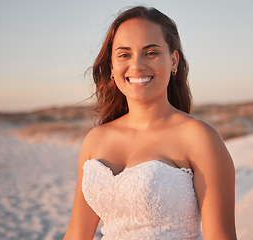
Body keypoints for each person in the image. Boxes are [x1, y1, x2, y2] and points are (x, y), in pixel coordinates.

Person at [64, 6, 237, 240]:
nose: (137, 66)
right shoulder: (95, 140)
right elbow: (76, 234)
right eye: (124, 54)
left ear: (173, 61)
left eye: (151, 52)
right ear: (112, 68)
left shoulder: (199, 137)